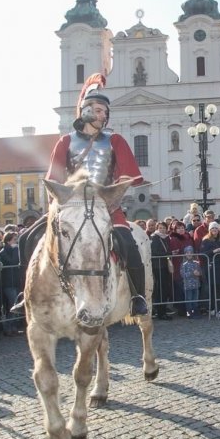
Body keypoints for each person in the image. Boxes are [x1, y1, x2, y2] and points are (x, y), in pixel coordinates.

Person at [29, 76, 148, 316]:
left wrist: (118, 189)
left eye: (104, 111)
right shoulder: (65, 142)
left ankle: (137, 297)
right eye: (96, 109)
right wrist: (57, 209)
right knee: (28, 239)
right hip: (72, 206)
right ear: (84, 111)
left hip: (106, 207)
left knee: (129, 244)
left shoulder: (114, 140)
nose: (101, 114)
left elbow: (128, 176)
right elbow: (55, 179)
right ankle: (27, 294)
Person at [148, 221, 174, 321]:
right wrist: (167, 253)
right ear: (157, 228)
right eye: (160, 228)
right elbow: (154, 251)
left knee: (165, 288)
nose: (162, 229)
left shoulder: (166, 237)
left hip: (165, 265)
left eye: (164, 228)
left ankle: (163, 310)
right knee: (160, 289)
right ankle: (160, 312)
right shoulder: (154, 237)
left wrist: (169, 253)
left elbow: (166, 250)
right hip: (158, 266)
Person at [0, 232, 22, 336]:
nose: (16, 242)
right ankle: (8, 327)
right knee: (13, 305)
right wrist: (16, 249)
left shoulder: (14, 250)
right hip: (8, 282)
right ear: (8, 241)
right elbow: (13, 261)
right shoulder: (3, 251)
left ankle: (13, 326)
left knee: (15, 305)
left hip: (15, 281)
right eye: (14, 240)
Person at [179, 246, 202, 319]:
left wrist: (198, 273)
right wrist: (192, 273)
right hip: (187, 285)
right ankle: (189, 313)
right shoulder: (183, 264)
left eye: (191, 252)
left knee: (195, 299)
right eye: (187, 253)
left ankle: (195, 312)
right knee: (189, 299)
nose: (189, 254)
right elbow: (183, 275)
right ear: (185, 254)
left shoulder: (196, 263)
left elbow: (200, 272)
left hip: (195, 284)